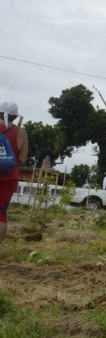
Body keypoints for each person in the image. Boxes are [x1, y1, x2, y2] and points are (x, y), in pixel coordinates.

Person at [0, 100, 28, 246]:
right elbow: (23, 160)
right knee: (1, 213)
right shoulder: (21, 133)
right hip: (10, 177)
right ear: (16, 117)